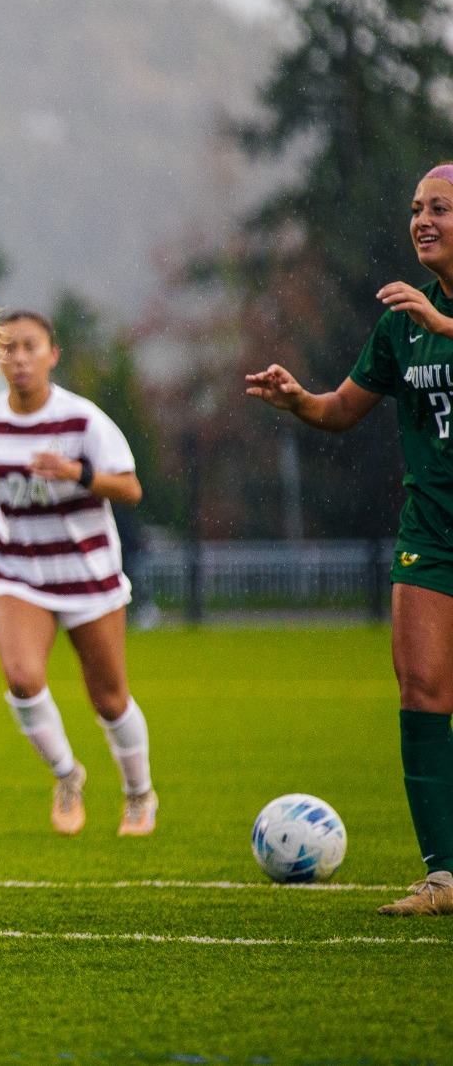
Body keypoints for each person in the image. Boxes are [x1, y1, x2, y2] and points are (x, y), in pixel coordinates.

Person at [244, 163, 453, 916]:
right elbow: (341, 411)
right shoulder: (401, 322)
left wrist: (449, 328)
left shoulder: (430, 322)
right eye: (414, 208)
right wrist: (300, 399)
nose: (421, 220)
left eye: (439, 208)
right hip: (431, 533)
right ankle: (444, 875)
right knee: (423, 690)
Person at [0, 309, 154, 837]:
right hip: (18, 570)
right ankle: (67, 774)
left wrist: (76, 472)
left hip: (87, 572)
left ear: (53, 355)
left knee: (109, 696)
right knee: (23, 679)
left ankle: (139, 793)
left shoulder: (83, 419)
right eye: (8, 348)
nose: (19, 358)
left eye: (30, 346)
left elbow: (132, 489)